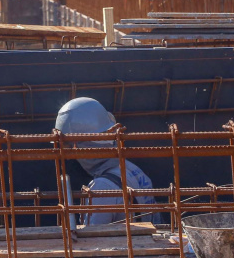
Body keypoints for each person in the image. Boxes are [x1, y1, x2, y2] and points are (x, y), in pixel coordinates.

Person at [54, 97, 157, 226]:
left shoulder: (101, 187)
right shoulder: (131, 169)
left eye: (68, 147)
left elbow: (92, 239)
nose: (69, 156)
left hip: (127, 245)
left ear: (79, 144)